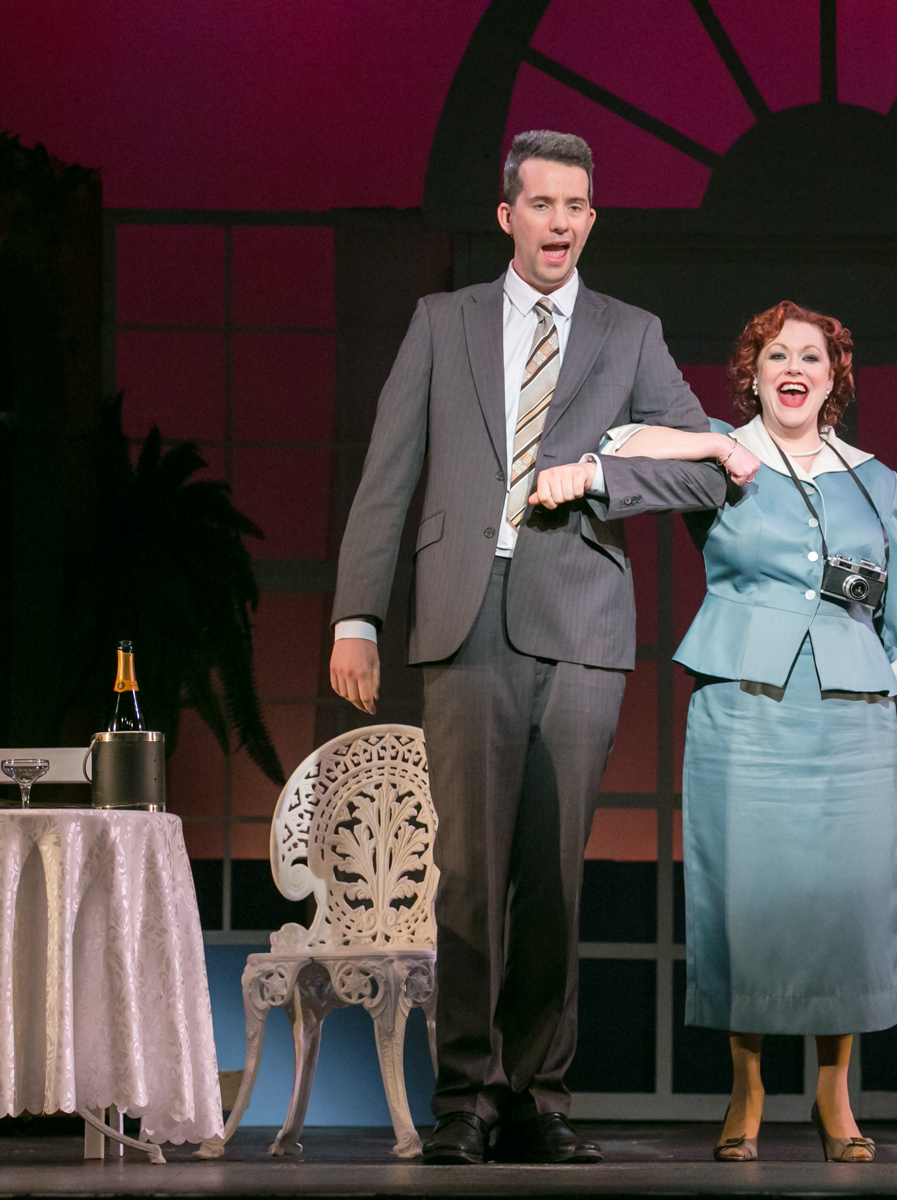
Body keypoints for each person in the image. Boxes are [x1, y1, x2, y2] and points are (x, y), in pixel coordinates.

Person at [327, 130, 727, 1166]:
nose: (559, 223)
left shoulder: (629, 333)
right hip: (466, 614)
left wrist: (598, 476)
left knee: (553, 877)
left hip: (579, 620)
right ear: (507, 215)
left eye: (576, 206)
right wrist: (357, 616)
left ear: (593, 220)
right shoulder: (444, 321)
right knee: (467, 873)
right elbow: (387, 474)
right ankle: (464, 1096)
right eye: (541, 204)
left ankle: (537, 1097)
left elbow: (708, 465)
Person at [602, 301, 897, 1163]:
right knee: (748, 895)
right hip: (745, 703)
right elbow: (617, 444)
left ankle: (834, 1092)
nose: (793, 368)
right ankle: (748, 1086)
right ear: (753, 375)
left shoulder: (874, 480)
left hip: (853, 713)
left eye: (810, 356)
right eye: (776, 356)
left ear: (835, 378)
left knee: (847, 897)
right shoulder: (721, 455)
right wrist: (712, 447)